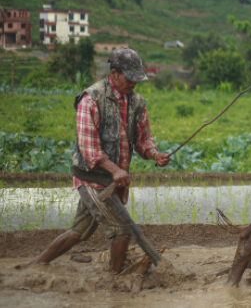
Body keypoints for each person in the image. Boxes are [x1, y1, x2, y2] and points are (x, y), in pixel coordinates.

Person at [28, 47, 170, 273]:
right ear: (114, 73)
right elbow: (89, 149)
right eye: (129, 78)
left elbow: (144, 140)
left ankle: (34, 265)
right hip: (93, 179)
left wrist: (155, 154)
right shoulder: (91, 98)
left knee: (79, 232)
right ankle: (117, 279)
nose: (134, 83)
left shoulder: (138, 103)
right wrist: (115, 170)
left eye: (137, 79)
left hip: (115, 181)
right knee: (121, 230)